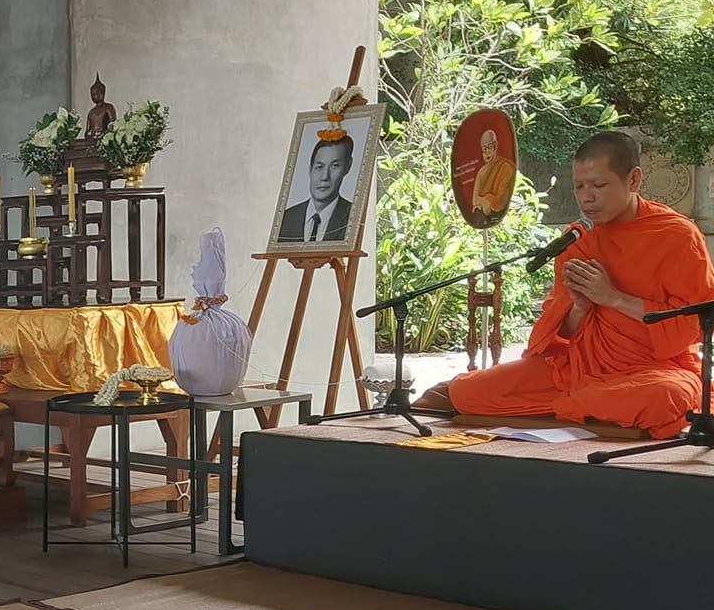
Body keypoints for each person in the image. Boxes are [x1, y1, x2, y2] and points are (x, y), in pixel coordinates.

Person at [426, 131, 714, 438]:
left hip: (655, 371)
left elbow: (695, 325)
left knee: (663, 397)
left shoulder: (676, 236)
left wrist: (613, 297)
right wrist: (579, 307)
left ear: (633, 179)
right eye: (579, 186)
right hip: (576, 369)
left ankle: (568, 406)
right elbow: (556, 340)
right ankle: (586, 407)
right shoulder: (577, 239)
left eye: (598, 185)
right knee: (467, 393)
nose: (586, 197)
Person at [277, 131, 356, 243]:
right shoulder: (286, 218)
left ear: (347, 167)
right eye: (319, 167)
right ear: (310, 169)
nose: (325, 177)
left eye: (334, 166)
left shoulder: (354, 217)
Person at [471, 128, 516, 221]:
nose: (487, 152)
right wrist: (484, 202)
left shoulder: (505, 167)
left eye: (490, 147)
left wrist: (486, 199)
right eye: (484, 149)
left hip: (498, 215)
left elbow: (501, 202)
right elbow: (474, 200)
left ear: (495, 147)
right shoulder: (481, 172)